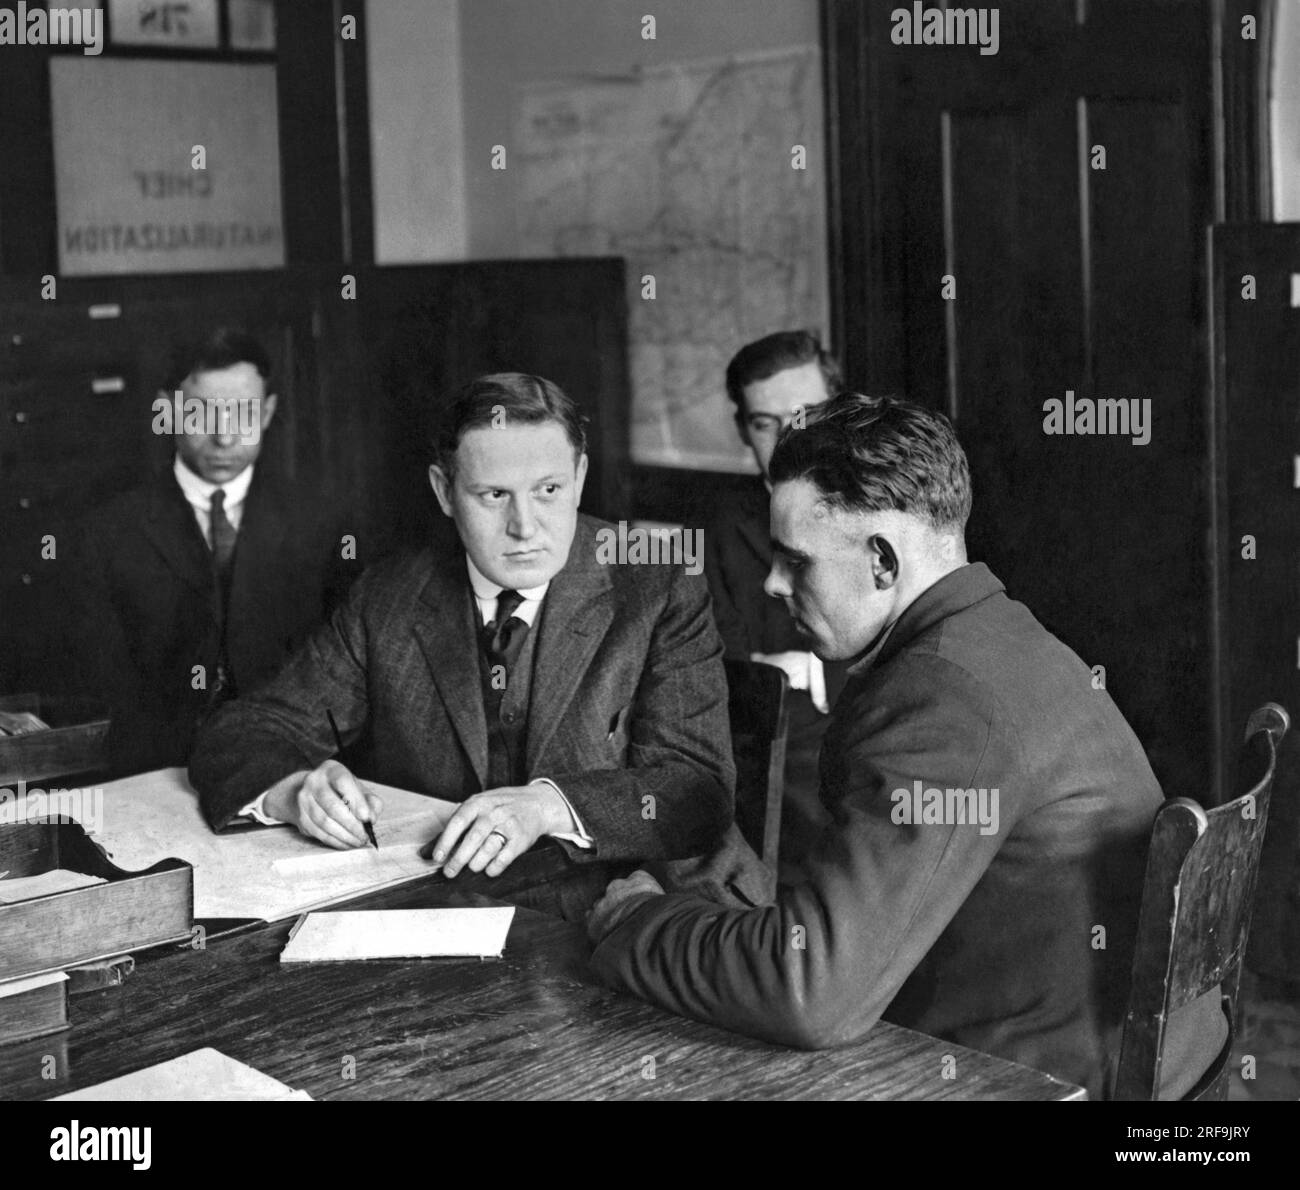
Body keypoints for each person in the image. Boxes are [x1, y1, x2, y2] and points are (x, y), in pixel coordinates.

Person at [588, 392, 1227, 1099]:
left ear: (884, 563)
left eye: (797, 562)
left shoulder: (945, 704)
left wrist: (637, 922)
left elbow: (813, 992)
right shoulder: (994, 636)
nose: (774, 583)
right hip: (1137, 1055)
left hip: (1039, 1079)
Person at [189, 373, 767, 920]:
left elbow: (696, 789)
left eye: (548, 490)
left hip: (639, 907)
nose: (525, 526)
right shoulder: (389, 594)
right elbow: (246, 729)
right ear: (444, 491)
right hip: (457, 916)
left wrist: (547, 807)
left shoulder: (657, 581)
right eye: (494, 495)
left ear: (580, 476)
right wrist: (294, 791)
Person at [66, 328, 354, 775]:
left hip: (292, 771)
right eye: (201, 415)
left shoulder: (320, 524)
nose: (223, 437)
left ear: (268, 412)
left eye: (242, 413)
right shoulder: (107, 531)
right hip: (151, 777)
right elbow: (100, 688)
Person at [706, 330, 844, 875]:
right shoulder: (716, 531)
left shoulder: (893, 510)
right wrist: (778, 671)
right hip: (777, 751)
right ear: (744, 429)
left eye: (806, 416)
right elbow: (718, 671)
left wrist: (802, 669)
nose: (789, 438)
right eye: (765, 423)